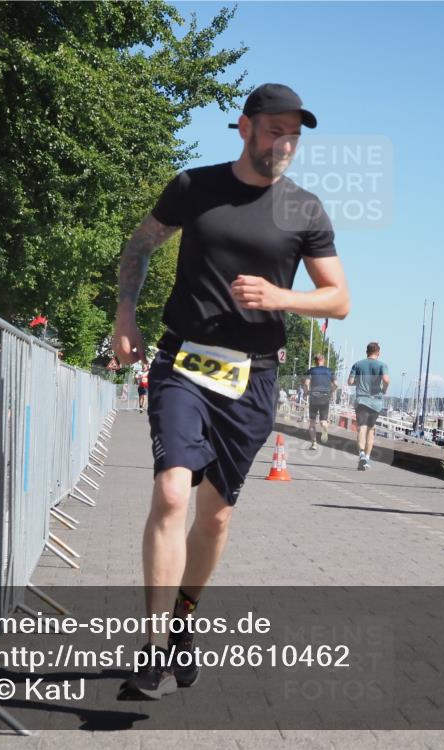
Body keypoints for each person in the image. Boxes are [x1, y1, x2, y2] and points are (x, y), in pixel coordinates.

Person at [111, 82, 349, 699]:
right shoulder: (195, 187)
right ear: (244, 127)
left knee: (214, 519)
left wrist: (282, 298)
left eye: (295, 133)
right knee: (171, 493)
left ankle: (184, 624)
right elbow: (138, 247)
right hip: (183, 361)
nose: (285, 142)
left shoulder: (305, 210)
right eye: (275, 130)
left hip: (253, 377)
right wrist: (125, 316)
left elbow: (339, 298)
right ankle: (154, 644)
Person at [347, 342, 389, 470]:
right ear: (378, 352)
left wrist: (359, 383)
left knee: (362, 428)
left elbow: (350, 382)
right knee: (371, 429)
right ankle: (367, 457)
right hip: (376, 402)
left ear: (367, 351)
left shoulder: (357, 364)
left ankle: (361, 455)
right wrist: (384, 390)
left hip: (362, 401)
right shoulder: (382, 365)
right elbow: (386, 380)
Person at [303, 353, 336, 449]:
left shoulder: (311, 371)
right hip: (325, 397)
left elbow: (306, 383)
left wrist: (306, 392)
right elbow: (336, 384)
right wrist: (331, 391)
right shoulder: (329, 371)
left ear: (315, 361)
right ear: (324, 360)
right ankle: (324, 426)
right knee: (323, 420)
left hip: (314, 397)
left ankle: (314, 443)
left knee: (312, 422)